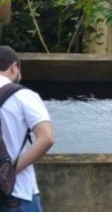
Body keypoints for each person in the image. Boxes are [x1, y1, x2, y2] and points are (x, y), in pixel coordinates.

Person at [0, 46, 55, 212]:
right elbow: (47, 138)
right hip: (17, 194)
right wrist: (9, 171)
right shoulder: (23, 96)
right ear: (14, 66)